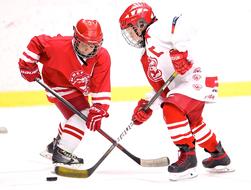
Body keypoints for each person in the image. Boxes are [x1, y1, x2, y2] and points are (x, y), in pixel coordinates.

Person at [119, 2, 231, 180]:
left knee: (172, 109)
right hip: (184, 87)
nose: (130, 35)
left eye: (130, 29)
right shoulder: (145, 57)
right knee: (194, 122)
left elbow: (183, 23)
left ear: (141, 23)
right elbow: (162, 90)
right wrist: (147, 105)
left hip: (197, 76)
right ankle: (219, 155)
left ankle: (188, 158)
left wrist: (181, 51)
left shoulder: (156, 28)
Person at [18, 19, 111, 165]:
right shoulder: (59, 45)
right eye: (84, 43)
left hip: (75, 89)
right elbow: (37, 42)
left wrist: (99, 108)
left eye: (92, 45)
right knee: (82, 116)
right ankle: (63, 151)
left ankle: (54, 147)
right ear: (76, 39)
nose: (87, 49)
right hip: (57, 84)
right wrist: (27, 64)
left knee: (77, 116)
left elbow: (102, 85)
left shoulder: (102, 56)